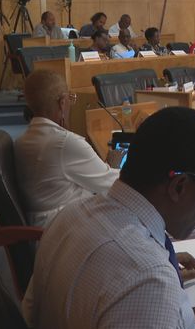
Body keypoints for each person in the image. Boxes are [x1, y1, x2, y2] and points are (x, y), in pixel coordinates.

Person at [30, 106, 195, 329]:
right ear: (179, 187)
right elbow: (136, 282)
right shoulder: (148, 279)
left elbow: (32, 315)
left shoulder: (69, 215)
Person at [14, 70, 119, 227]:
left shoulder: (24, 138)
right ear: (62, 103)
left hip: (53, 221)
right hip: (65, 227)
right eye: (71, 98)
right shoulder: (65, 143)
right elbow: (112, 183)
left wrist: (105, 169)